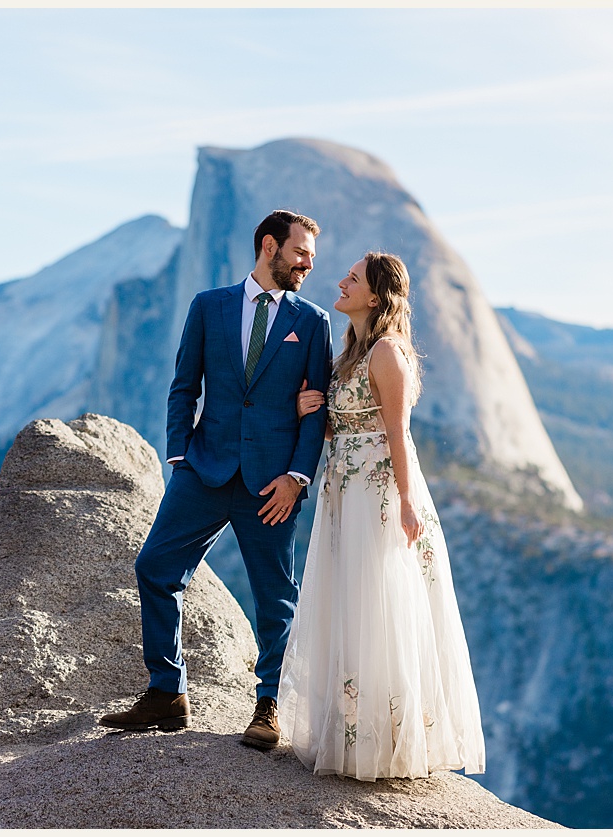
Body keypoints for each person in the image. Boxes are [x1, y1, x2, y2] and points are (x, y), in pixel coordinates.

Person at [103, 210, 333, 753]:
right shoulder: (209, 306)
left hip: (271, 485)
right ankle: (167, 694)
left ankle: (269, 707)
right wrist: (179, 455)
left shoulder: (315, 321)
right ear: (269, 245)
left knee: (276, 599)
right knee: (155, 568)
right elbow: (184, 386)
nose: (307, 264)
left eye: (313, 259)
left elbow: (315, 409)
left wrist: (297, 478)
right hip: (203, 470)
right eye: (301, 252)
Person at [273, 251, 486, 780]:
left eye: (353, 278)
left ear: (375, 296)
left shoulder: (388, 353)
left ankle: (384, 740)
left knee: (378, 604)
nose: (340, 282)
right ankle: (350, 732)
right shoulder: (349, 353)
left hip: (379, 496)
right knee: (349, 604)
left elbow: (396, 434)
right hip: (342, 493)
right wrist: (310, 414)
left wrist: (409, 504)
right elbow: (343, 425)